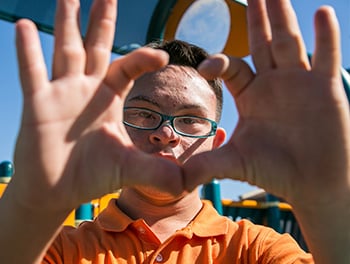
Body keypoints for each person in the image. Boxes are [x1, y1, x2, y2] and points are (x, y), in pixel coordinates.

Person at [0, 0, 349, 263]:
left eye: (189, 119)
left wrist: (326, 202)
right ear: (113, 128)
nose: (166, 134)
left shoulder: (255, 249)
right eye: (143, 113)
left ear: (216, 143)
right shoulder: (58, 248)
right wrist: (33, 204)